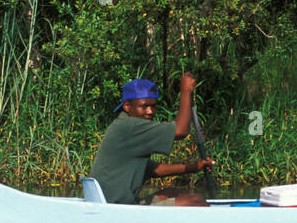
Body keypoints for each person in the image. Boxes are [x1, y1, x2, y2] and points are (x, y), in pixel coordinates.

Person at [89, 73, 215, 206]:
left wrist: (193, 167)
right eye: (144, 106)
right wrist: (185, 91)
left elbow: (151, 169)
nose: (150, 111)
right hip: (114, 208)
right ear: (127, 106)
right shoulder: (130, 126)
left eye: (153, 106)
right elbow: (181, 131)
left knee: (172, 192)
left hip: (116, 205)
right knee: (196, 201)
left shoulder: (125, 124)